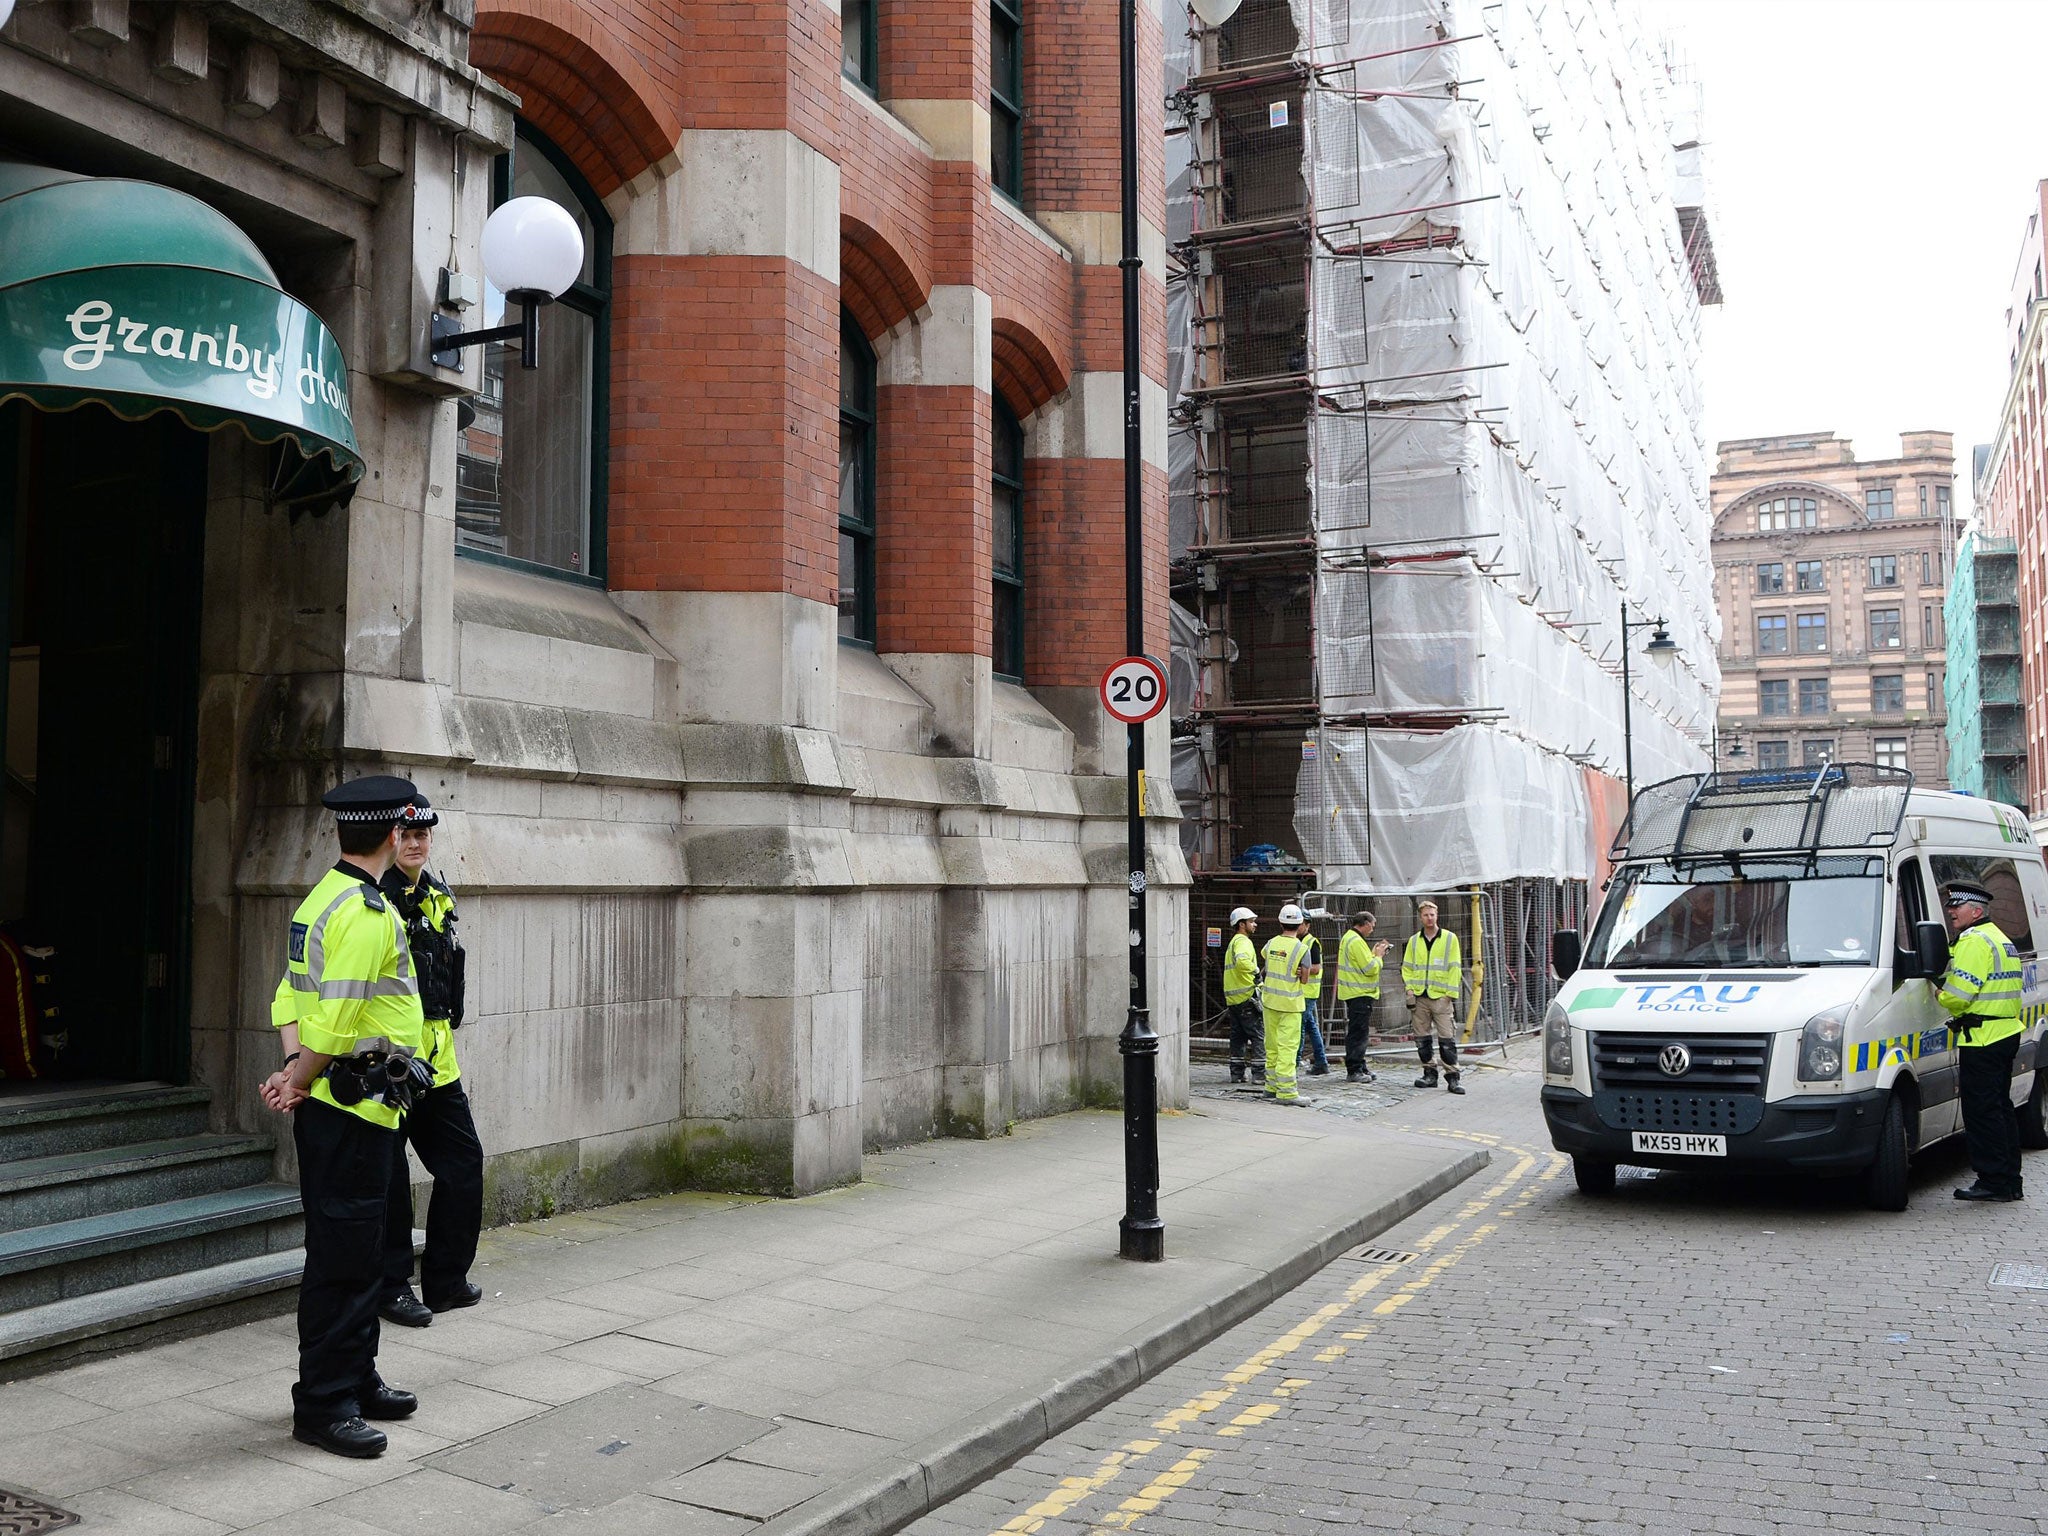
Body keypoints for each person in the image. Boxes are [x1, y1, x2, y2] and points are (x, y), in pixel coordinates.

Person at [261, 776, 430, 1458]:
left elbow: (288, 996)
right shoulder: (364, 911)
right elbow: (330, 1024)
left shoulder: (322, 898)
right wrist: (300, 1077)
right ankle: (325, 1403)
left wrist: (291, 1073)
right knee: (346, 1262)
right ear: (393, 835)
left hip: (358, 1110)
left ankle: (355, 1379)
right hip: (351, 1109)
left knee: (357, 1253)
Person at [377, 798, 485, 1327]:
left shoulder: (437, 893)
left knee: (464, 1166)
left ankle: (445, 1280)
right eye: (406, 833)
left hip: (439, 1065)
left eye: (424, 834)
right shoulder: (377, 901)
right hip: (392, 1065)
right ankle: (392, 1286)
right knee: (391, 1179)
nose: (416, 842)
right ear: (390, 837)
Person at [1938, 880, 2027, 1202]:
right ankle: (2009, 1181)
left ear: (1976, 911)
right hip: (2003, 1033)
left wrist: (1939, 993)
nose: (1951, 913)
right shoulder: (1998, 938)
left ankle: (1993, 1182)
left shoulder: (1974, 941)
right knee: (2000, 1110)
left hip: (1983, 1039)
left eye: (1956, 907)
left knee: (1982, 1113)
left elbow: (1960, 997)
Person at [1403, 900, 1464, 1094]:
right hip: (1420, 997)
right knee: (1422, 1038)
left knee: (1447, 1038)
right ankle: (1429, 1074)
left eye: (1432, 914)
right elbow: (1407, 967)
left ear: (1437, 916)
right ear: (1420, 917)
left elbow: (1455, 967)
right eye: (1426, 915)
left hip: (1441, 998)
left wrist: (1449, 994)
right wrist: (1410, 988)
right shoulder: (1414, 941)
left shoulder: (1449, 938)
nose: (1429, 918)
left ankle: (1453, 1077)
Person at [1260, 904, 1319, 1106]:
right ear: (1300, 924)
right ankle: (1286, 1093)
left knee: (1272, 1046)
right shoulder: (1302, 949)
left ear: (1280, 921)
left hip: (1269, 1002)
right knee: (1288, 1048)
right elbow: (1304, 979)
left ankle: (1271, 1087)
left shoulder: (1270, 943)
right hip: (1291, 1004)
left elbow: (1266, 960)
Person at [1337, 910, 1390, 1082]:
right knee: (1358, 1034)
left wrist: (1373, 954)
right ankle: (1355, 1070)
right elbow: (1370, 968)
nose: (1372, 930)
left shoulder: (1350, 938)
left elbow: (1361, 962)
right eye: (1372, 926)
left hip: (1354, 993)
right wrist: (1379, 957)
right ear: (1365, 923)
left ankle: (1360, 1065)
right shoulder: (1356, 941)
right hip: (1359, 993)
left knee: (1358, 1032)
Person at [1222, 907, 1264, 1085]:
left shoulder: (1233, 942)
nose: (1254, 925)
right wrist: (1255, 971)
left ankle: (1237, 1073)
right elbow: (1242, 962)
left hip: (1234, 999)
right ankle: (1259, 1074)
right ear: (1241, 924)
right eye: (1251, 921)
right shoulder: (1243, 942)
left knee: (1238, 1037)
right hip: (1246, 997)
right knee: (1258, 1036)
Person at [1298, 914, 1330, 1077]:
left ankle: (1295, 1061)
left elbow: (1316, 968)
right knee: (1310, 1026)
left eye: (1300, 924)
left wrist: (1301, 971)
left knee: (1300, 1027)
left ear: (1307, 925)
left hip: (1308, 993)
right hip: (1303, 992)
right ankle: (1321, 1062)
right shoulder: (1301, 942)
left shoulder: (1311, 943)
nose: (1297, 927)